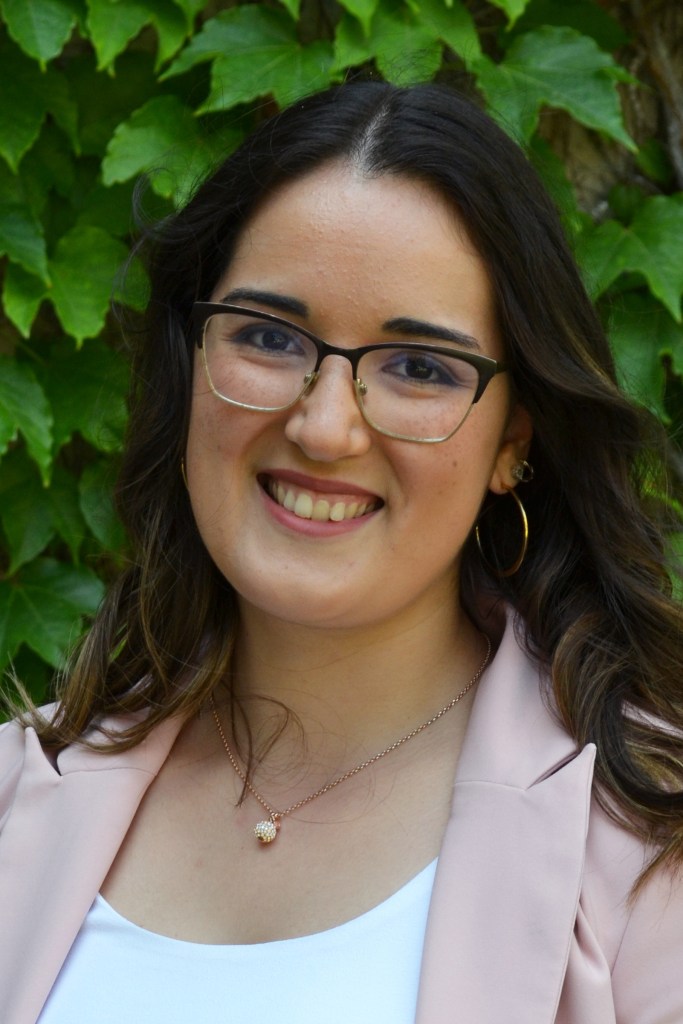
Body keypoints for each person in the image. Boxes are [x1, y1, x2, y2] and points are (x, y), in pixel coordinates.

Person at [1, 80, 682, 1024]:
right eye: (268, 337)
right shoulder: (17, 792)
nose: (323, 428)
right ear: (190, 365)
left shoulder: (650, 842)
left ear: (513, 441)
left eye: (418, 367)